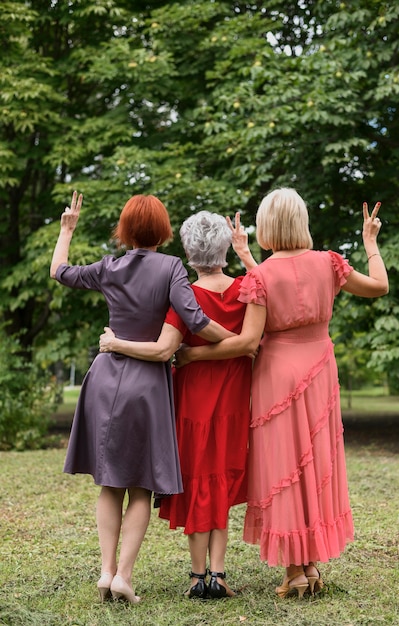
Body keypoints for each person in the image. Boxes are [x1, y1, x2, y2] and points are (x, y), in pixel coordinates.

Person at [172, 188, 389, 598]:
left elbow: (248, 341)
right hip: (320, 368)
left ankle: (295, 571)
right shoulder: (330, 262)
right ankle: (309, 565)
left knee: (285, 467)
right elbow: (379, 286)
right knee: (313, 463)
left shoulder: (260, 277)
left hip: (276, 374)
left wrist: (192, 358)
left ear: (268, 226)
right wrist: (370, 243)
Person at [50, 192, 234, 604]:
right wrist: (238, 341)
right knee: (140, 489)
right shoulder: (172, 268)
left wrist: (67, 229)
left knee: (110, 483)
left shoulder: (108, 267)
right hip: (146, 381)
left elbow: (59, 271)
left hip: (103, 377)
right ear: (164, 231)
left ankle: (105, 572)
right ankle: (124, 578)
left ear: (125, 230)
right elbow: (196, 321)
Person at [99, 210, 257, 599]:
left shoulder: (183, 294)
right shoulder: (248, 289)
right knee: (221, 479)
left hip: (191, 401)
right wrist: (247, 253)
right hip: (235, 398)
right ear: (225, 248)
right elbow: (254, 340)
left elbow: (169, 346)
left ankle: (196, 576)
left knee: (199, 479)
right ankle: (218, 575)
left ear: (188, 251)